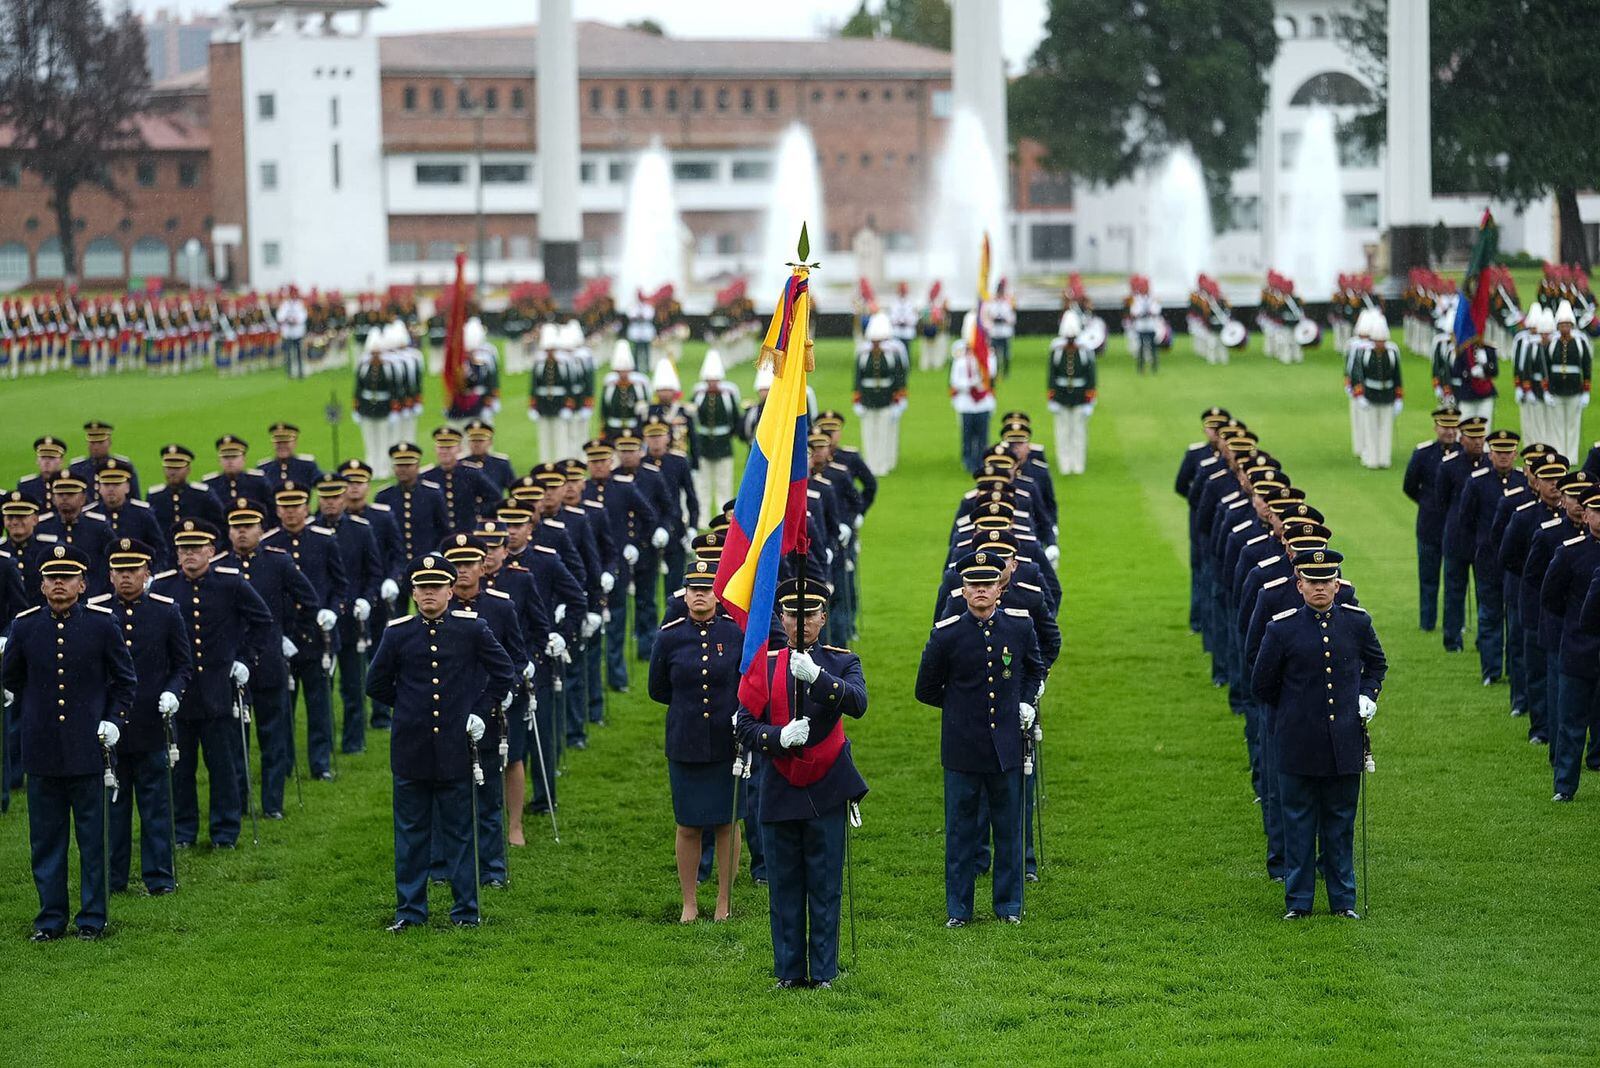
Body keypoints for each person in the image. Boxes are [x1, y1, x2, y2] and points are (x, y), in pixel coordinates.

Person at [366, 554, 516, 931]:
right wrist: (409, 707)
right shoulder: (397, 633)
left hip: (455, 746)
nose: (429, 593)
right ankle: (410, 912)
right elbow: (376, 684)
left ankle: (466, 911)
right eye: (422, 587)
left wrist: (480, 711)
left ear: (451, 590)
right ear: (413, 593)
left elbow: (504, 672)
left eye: (436, 587)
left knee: (460, 832)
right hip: (411, 747)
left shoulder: (471, 629)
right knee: (411, 834)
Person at [734, 575, 868, 989]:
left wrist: (818, 679)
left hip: (826, 786)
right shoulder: (766, 664)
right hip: (778, 784)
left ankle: (824, 971)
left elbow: (858, 703)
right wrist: (776, 738)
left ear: (824, 617)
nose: (802, 623)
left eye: (810, 614)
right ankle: (789, 972)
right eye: (793, 614)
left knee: (825, 883)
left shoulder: (841, 661)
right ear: (782, 617)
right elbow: (744, 724)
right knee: (786, 884)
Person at [2, 544, 136, 940]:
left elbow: (125, 681)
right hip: (42, 750)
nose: (58, 584)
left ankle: (92, 918)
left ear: (83, 583)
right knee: (46, 841)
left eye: (67, 577)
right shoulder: (25, 626)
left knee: (93, 841)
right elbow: (11, 678)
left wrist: (113, 720)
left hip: (87, 748)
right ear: (42, 586)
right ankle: (50, 918)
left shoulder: (102, 624)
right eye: (51, 578)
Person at [1252, 549, 1386, 919]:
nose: (1320, 588)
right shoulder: (1281, 628)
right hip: (1297, 744)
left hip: (1343, 743)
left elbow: (1377, 664)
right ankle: (1298, 902)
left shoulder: (1356, 623)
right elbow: (1262, 684)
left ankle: (1343, 901)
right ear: (1300, 585)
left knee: (1340, 824)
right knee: (1298, 825)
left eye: (1327, 581)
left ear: (1338, 584)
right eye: (1312, 582)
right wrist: (1297, 713)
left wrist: (1367, 694)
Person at [917, 550, 1045, 926]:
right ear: (964, 589)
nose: (981, 592)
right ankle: (959, 909)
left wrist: (1025, 703)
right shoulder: (947, 634)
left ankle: (1008, 906)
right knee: (961, 833)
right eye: (974, 585)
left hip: (1006, 746)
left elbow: (1034, 670)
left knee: (1008, 829)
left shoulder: (1019, 627)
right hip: (962, 748)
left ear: (999, 589)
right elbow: (925, 688)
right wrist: (960, 709)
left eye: (987, 585)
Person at [151, 520, 273, 849]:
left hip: (219, 689)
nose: (190, 555)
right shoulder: (163, 588)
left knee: (223, 766)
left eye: (196, 548)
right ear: (176, 554)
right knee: (181, 767)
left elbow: (262, 620)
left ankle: (224, 831)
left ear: (211, 551)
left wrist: (245, 659)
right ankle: (185, 831)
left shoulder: (230, 584)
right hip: (179, 692)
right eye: (183, 549)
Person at [648, 559, 745, 923]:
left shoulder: (735, 634)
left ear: (718, 595)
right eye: (693, 590)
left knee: (727, 822)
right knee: (688, 824)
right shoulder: (669, 636)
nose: (699, 596)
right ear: (685, 595)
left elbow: (746, 680)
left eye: (706, 590)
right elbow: (657, 689)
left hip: (727, 741)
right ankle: (689, 901)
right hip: (685, 741)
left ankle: (724, 899)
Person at [91, 539, 189, 895]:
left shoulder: (166, 611)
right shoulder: (97, 612)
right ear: (110, 575)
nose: (126, 578)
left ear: (147, 573)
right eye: (120, 571)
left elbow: (182, 665)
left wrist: (172, 693)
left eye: (133, 571)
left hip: (151, 720)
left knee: (156, 807)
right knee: (114, 808)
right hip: (110, 726)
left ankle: (159, 877)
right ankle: (114, 878)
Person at [215, 497, 315, 819]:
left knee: (273, 737)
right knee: (234, 742)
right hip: (231, 664)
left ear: (261, 529)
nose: (242, 533)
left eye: (248, 527)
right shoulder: (219, 566)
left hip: (269, 659)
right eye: (236, 527)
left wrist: (290, 637)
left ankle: (272, 804)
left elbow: (308, 601)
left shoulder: (277, 561)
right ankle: (240, 802)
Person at [263, 481, 347, 781]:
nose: (290, 513)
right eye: (284, 507)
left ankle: (320, 762)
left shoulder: (325, 540)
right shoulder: (269, 543)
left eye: (296, 506)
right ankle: (284, 763)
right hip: (283, 637)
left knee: (320, 705)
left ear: (305, 507)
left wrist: (332, 611)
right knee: (283, 706)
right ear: (277, 510)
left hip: (317, 635)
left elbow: (340, 586)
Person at [315, 476, 382, 757]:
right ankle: (323, 744)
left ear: (344, 499)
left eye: (335, 497)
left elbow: (373, 572)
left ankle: (354, 741)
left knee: (353, 684)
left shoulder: (361, 530)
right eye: (325, 498)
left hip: (352, 618)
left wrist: (367, 599)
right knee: (321, 689)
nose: (330, 503)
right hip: (320, 620)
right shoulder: (309, 531)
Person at [1543, 487, 1600, 802]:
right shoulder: (1570, 552)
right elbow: (1551, 597)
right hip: (1579, 649)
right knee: (1571, 721)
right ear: (1587, 513)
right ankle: (1564, 785)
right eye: (1596, 510)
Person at [1403, 407, 1462, 632]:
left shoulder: (1464, 456)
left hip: (1456, 528)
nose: (1449, 431)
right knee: (1428, 578)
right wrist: (1428, 504)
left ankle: (1453, 624)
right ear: (1436, 427)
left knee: (1454, 581)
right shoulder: (1423, 453)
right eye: (1445, 426)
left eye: (1453, 426)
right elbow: (1409, 486)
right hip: (1430, 525)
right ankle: (1427, 622)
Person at [1439, 418, 1489, 652]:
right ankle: (1452, 640)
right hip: (1457, 538)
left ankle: (1485, 639)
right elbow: (1442, 501)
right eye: (1473, 437)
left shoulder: (1491, 465)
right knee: (1454, 592)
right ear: (1462, 439)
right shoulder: (1449, 466)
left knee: (1485, 593)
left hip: (1483, 541)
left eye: (1481, 437)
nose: (1478, 442)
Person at [376, 442, 451, 567]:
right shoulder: (384, 496)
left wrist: (438, 552)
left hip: (426, 562)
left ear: (417, 466)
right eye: (399, 465)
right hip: (395, 566)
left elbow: (444, 529)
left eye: (408, 465)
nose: (403, 469)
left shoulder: (432, 494)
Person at [853, 312, 908, 477]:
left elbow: (899, 380)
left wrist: (899, 401)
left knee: (884, 433)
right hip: (868, 399)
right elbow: (857, 379)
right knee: (869, 433)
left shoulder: (893, 355)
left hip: (886, 399)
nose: (876, 345)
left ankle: (883, 464)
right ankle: (870, 463)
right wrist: (857, 401)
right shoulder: (863, 355)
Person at [87, 460, 165, 572]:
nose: (111, 489)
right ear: (99, 487)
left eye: (116, 484)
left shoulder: (142, 513)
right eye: (106, 484)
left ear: (127, 487)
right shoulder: (90, 514)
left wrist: (152, 576)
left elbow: (160, 550)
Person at [690, 349, 740, 518]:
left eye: (715, 380)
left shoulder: (727, 396)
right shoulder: (698, 395)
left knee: (723, 482)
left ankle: (722, 515)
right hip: (703, 444)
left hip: (723, 444)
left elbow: (735, 418)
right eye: (709, 380)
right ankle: (702, 517)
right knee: (702, 483)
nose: (712, 383)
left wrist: (728, 436)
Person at [1046, 310, 1096, 475]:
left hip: (1079, 395)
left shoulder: (1085, 350)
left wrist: (1090, 400)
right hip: (1061, 395)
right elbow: (1052, 375)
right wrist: (1052, 397)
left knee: (1079, 432)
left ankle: (1078, 464)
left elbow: (1091, 376)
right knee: (1062, 432)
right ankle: (1065, 464)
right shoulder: (1057, 350)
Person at [1545, 301, 1592, 462]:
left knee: (1572, 424)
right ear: (1558, 326)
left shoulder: (1580, 342)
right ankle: (1559, 454)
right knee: (1557, 424)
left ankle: (1571, 456)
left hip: (1574, 390)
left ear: (1571, 326)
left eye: (1567, 324)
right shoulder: (1552, 343)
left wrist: (1586, 391)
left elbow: (1587, 367)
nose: (1564, 328)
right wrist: (1547, 390)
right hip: (1556, 390)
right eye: (1561, 325)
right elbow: (1547, 368)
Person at [949, 312, 996, 475]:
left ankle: (982, 460)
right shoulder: (960, 359)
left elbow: (991, 374)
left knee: (983, 436)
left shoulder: (987, 356)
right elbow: (955, 381)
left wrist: (981, 377)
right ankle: (968, 461)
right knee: (967, 436)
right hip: (967, 402)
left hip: (983, 403)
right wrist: (970, 384)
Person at [147, 444, 224, 541]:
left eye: (177, 468)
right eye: (169, 468)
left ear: (188, 469)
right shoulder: (155, 496)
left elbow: (220, 526)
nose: (172, 473)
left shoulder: (202, 494)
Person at [1355, 318, 1403, 469]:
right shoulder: (1365, 353)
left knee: (1386, 429)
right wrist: (1360, 395)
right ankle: (1372, 459)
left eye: (1382, 341)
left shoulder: (1392, 353)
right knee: (1371, 429)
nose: (1380, 344)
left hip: (1388, 395)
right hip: (1370, 395)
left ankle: (1384, 458)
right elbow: (1359, 375)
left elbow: (1397, 377)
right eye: (1377, 341)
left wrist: (1398, 398)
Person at [353, 328, 400, 480]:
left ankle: (383, 468)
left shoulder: (388, 368)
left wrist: (394, 409)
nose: (375, 357)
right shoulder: (363, 367)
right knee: (369, 439)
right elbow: (358, 388)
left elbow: (394, 390)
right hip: (367, 407)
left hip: (383, 407)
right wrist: (356, 408)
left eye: (377, 353)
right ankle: (371, 466)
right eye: (373, 353)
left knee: (384, 439)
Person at [528, 323, 576, 464]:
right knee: (544, 436)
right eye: (547, 350)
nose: (550, 352)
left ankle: (561, 462)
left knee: (560, 435)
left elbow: (569, 386)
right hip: (543, 404)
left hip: (559, 403)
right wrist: (533, 406)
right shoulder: (539, 364)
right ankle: (545, 462)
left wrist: (568, 405)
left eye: (552, 349)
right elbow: (534, 386)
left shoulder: (564, 364)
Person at [203, 435, 274, 516]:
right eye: (225, 457)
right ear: (219, 460)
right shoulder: (210, 484)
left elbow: (271, 511)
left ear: (244, 459)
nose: (230, 461)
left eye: (234, 457)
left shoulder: (258, 481)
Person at [70, 420, 140, 502]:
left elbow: (135, 499)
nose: (96, 447)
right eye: (92, 443)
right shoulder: (76, 468)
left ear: (109, 442)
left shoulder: (123, 466)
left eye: (100, 442)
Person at [255, 422, 322, 494]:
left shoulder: (307, 465)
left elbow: (323, 483)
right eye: (278, 443)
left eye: (286, 442)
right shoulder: (264, 468)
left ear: (295, 443)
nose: (282, 446)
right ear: (273, 444)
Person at [982, 278, 1016, 380]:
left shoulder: (1007, 304)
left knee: (1006, 354)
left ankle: (1005, 373)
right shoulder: (992, 304)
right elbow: (988, 316)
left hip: (1005, 332)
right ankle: (995, 372)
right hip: (995, 332)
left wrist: (1004, 319)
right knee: (995, 354)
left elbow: (1012, 318)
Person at [1130, 284, 1163, 374]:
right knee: (1141, 347)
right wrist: (1140, 313)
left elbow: (1157, 310)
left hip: (1151, 325)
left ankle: (1154, 367)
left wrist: (1151, 312)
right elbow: (1133, 311)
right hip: (1141, 326)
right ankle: (1141, 368)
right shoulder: (1137, 299)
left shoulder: (1153, 299)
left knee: (1153, 347)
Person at [276, 287, 308, 379]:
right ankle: (289, 373)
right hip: (288, 332)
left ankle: (300, 372)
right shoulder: (285, 304)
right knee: (288, 354)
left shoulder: (299, 304)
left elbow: (303, 315)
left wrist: (296, 320)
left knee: (299, 353)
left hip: (297, 332)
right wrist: (286, 319)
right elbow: (280, 315)